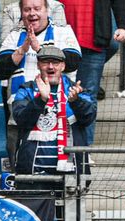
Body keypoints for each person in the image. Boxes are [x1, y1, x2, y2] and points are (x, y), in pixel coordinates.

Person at [0, 0, 81, 163]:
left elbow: (73, 61)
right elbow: (0, 71)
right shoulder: (14, 36)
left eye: (37, 8)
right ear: (21, 13)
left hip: (59, 114)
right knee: (20, 163)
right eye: (27, 9)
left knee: (57, 163)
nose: (32, 13)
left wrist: (39, 50)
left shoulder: (63, 32)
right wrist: (22, 49)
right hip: (22, 111)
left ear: (47, 10)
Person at [11, 44, 95, 183]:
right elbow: (21, 120)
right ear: (38, 65)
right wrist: (40, 100)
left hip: (71, 172)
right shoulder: (26, 90)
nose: (51, 67)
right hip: (33, 173)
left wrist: (76, 102)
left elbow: (88, 118)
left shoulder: (77, 91)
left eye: (55, 62)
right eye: (45, 62)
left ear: (63, 66)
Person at [61, 0, 125, 145]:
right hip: (59, 42)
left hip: (92, 41)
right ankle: (57, 146)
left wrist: (123, 26)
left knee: (88, 97)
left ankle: (85, 149)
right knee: (57, 94)